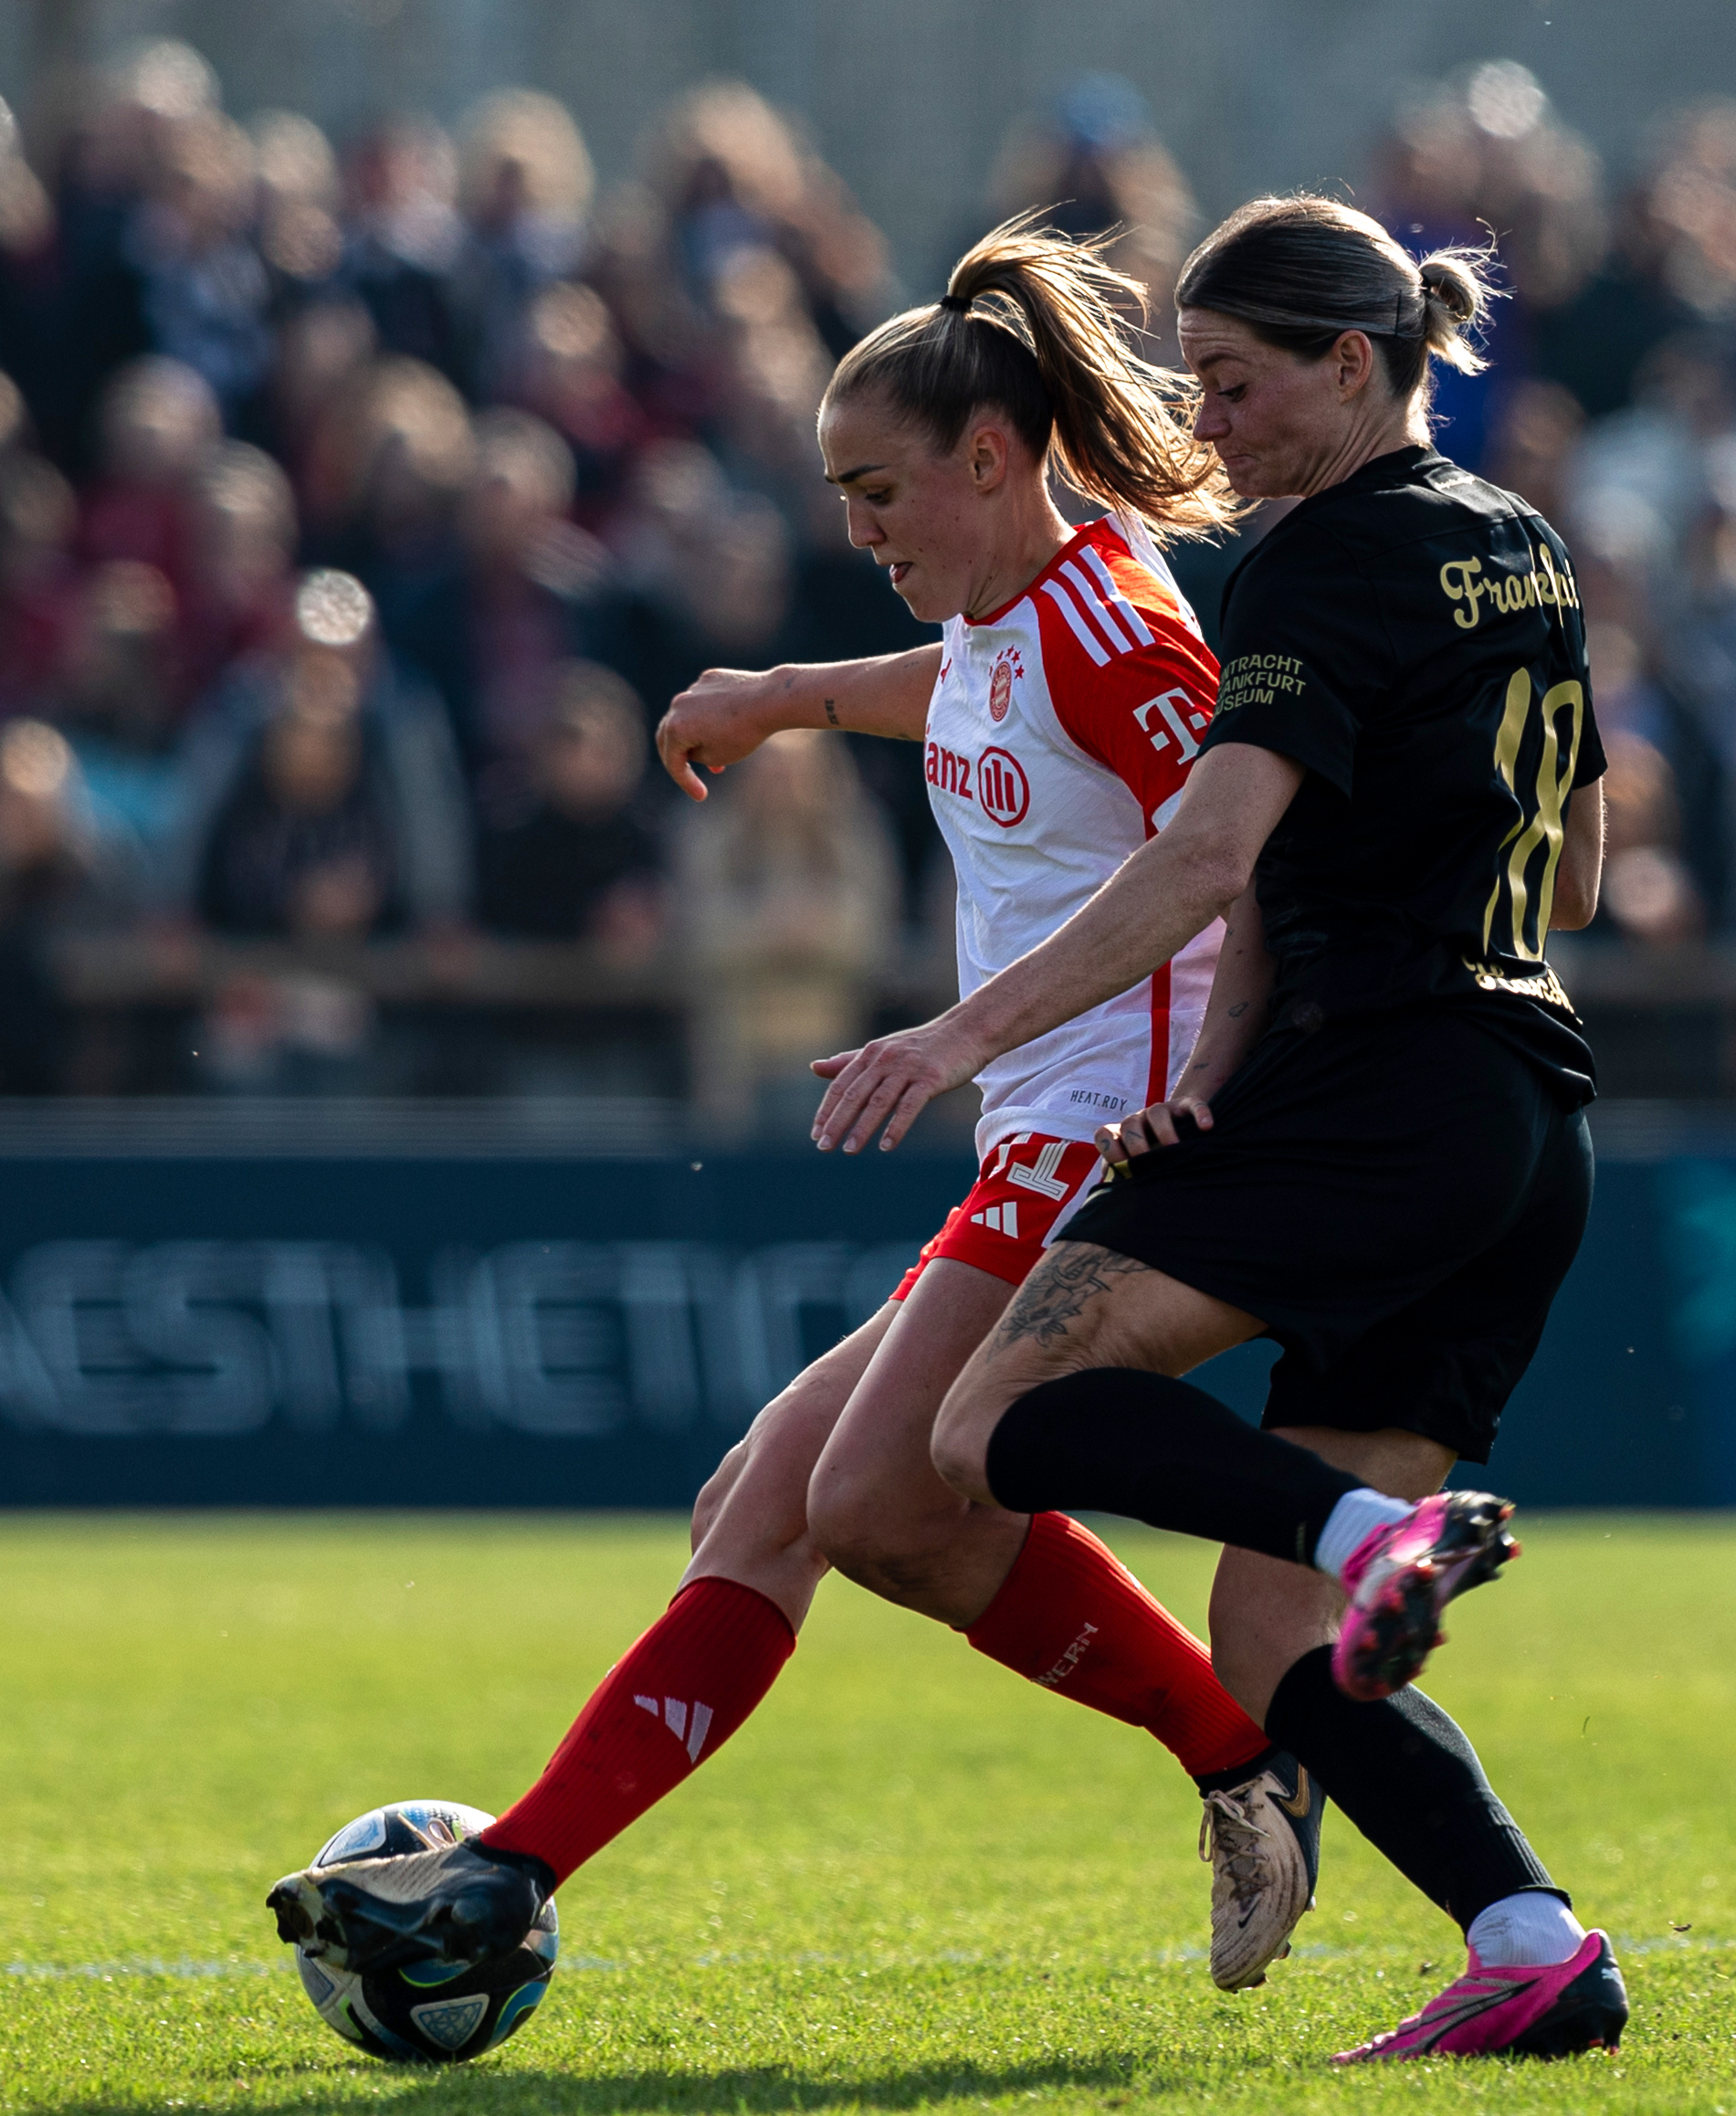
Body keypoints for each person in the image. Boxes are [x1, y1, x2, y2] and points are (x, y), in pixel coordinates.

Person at [269, 217, 1329, 2030]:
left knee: (866, 1497)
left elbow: (1236, 852)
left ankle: (1245, 1764)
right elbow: (972, 691)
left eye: (878, 490)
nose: (859, 530)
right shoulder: (1009, 613)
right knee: (756, 1496)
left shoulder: (1117, 622)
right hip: (1037, 1132)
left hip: (1113, 1146)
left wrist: (1027, 1044)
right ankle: (511, 1864)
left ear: (992, 459)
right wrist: (789, 698)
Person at [805, 195, 1625, 2063]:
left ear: (1355, 364)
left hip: (1380, 1088)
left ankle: (1361, 1533)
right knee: (1265, 1651)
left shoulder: (1314, 566)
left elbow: (1202, 852)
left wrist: (957, 1031)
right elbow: (1578, 866)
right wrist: (1241, 1023)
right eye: (1196, 383)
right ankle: (1530, 1939)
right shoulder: (1526, 547)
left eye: (1241, 386)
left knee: (989, 1422)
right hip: (1525, 1110)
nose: (1208, 427)